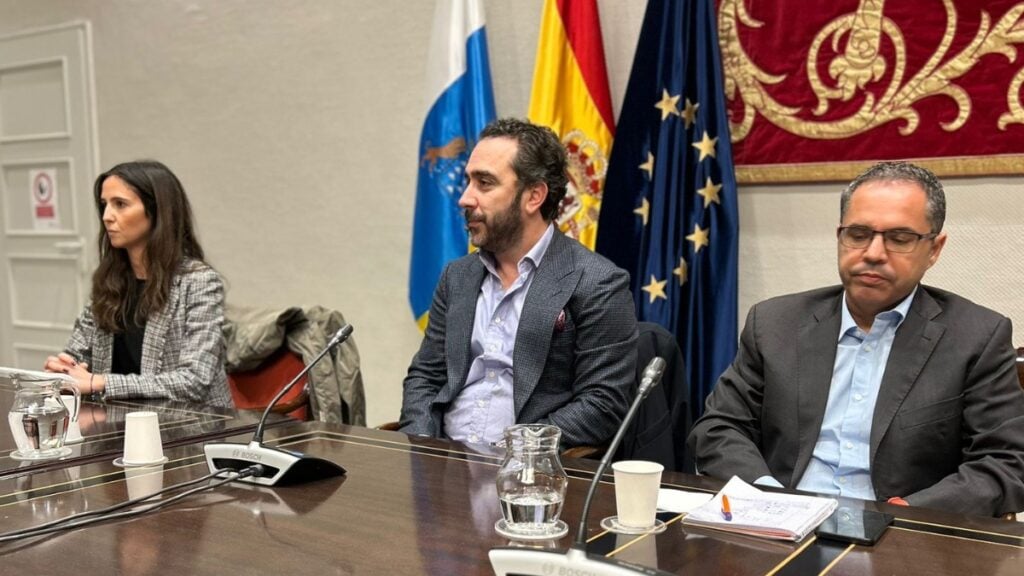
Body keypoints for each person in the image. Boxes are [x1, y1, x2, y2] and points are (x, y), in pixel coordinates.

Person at [689, 161, 1024, 517]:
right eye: (859, 234)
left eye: (899, 239)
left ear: (934, 249)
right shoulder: (775, 323)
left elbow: (1005, 462)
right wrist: (770, 498)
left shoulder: (976, 337)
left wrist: (909, 512)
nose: (873, 253)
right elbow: (719, 428)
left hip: (901, 532)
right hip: (778, 523)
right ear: (840, 236)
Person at [400, 118, 638, 448]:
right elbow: (426, 376)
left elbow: (602, 404)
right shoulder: (458, 276)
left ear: (534, 196)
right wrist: (422, 446)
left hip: (527, 466)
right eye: (468, 182)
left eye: (484, 183)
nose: (465, 198)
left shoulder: (597, 282)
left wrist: (517, 451)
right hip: (443, 460)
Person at [43, 160, 231, 406]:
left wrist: (100, 382)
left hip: (190, 422)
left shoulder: (199, 281)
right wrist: (64, 369)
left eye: (120, 204)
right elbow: (79, 353)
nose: (107, 217)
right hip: (116, 418)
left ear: (157, 211)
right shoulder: (110, 279)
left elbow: (193, 381)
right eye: (104, 205)